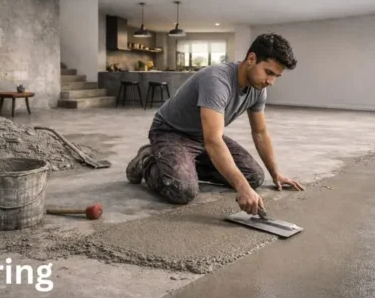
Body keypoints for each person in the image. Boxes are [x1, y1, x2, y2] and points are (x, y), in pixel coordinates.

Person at [125, 33, 304, 215]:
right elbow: (213, 140)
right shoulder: (217, 80)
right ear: (251, 59)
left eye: (276, 76)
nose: (271, 82)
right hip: (171, 132)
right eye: (269, 72)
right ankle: (147, 161)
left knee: (254, 177)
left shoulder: (258, 89)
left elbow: (260, 132)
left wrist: (275, 174)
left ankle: (183, 164)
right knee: (182, 190)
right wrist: (242, 188)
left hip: (204, 134)